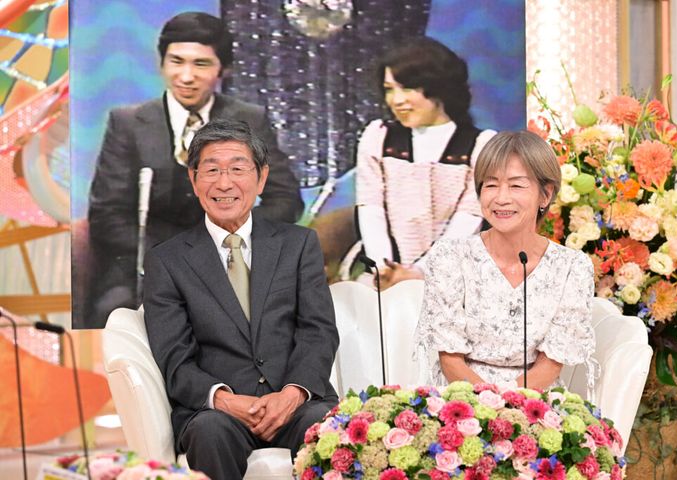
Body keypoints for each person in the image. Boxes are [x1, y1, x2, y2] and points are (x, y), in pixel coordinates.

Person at [143, 119, 338, 480]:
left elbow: (318, 331)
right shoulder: (167, 261)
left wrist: (292, 394)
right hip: (219, 411)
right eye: (211, 170)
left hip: (295, 403)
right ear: (193, 179)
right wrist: (224, 399)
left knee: (324, 424)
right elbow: (174, 358)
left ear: (261, 178)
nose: (224, 183)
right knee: (209, 431)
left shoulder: (298, 244)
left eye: (237, 169)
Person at [85, 12, 303, 328]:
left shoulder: (249, 120)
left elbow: (286, 199)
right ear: (162, 64)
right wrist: (170, 260)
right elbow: (107, 214)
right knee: (114, 316)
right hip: (146, 266)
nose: (186, 76)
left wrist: (234, 241)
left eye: (201, 64)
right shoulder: (128, 123)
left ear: (222, 69)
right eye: (176, 62)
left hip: (228, 262)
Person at [414, 131, 595, 390]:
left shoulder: (572, 268)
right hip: (462, 397)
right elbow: (450, 359)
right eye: (490, 185)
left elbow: (551, 364)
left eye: (516, 185)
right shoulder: (449, 257)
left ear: (545, 195)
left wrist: (510, 405)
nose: (501, 198)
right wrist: (488, 403)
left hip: (535, 400)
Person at [354, 37, 496, 289]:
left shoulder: (480, 146)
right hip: (383, 279)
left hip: (454, 280)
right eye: (389, 89)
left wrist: (420, 273)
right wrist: (384, 270)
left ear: (439, 88)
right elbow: (370, 208)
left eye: (407, 88)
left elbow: (468, 219)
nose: (396, 100)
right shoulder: (378, 137)